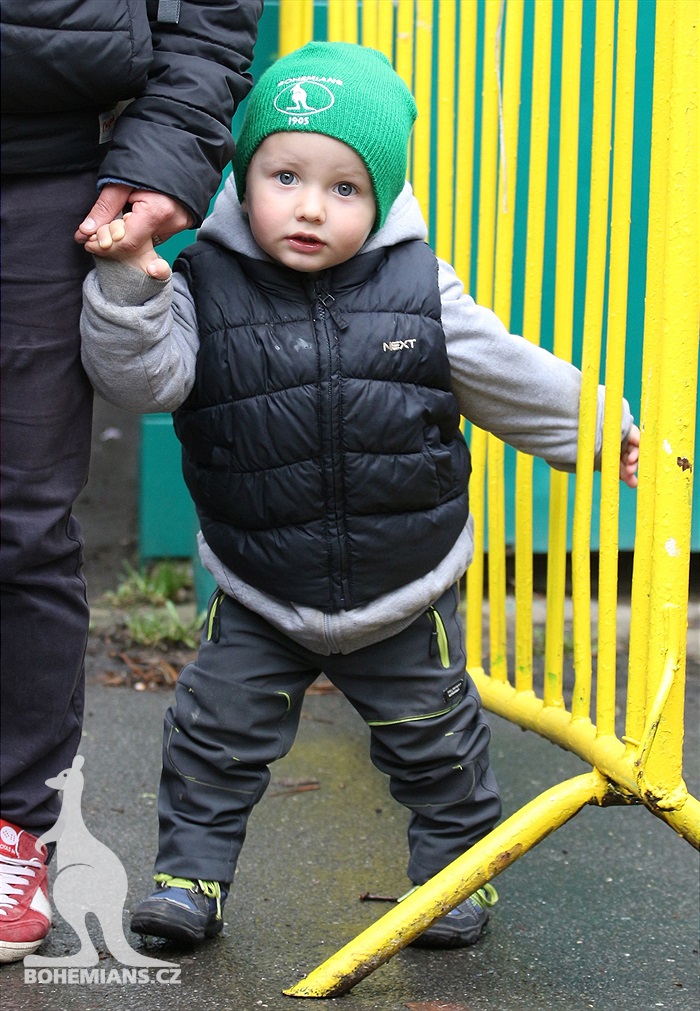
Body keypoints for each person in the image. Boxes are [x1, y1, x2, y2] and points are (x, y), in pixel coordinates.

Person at [79, 41, 641, 951]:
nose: (310, 206)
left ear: (384, 195)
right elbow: (142, 379)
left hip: (401, 583)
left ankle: (455, 876)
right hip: (261, 582)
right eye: (285, 176)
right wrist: (126, 282)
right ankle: (189, 881)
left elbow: (505, 372)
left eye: (344, 187)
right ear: (243, 177)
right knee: (213, 735)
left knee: (437, 743)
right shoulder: (201, 284)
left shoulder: (419, 288)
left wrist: (599, 428)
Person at [0, 0, 262, 964]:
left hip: (43, 167)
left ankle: (10, 826)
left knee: (20, 523)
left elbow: (211, 17)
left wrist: (164, 153)